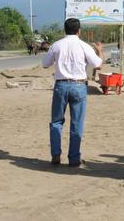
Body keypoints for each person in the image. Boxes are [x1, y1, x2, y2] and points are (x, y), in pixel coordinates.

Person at [42, 18, 102, 167]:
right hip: (79, 85)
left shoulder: (57, 45)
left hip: (61, 85)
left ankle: (56, 154)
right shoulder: (84, 46)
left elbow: (45, 64)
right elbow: (98, 65)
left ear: (65, 30)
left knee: (56, 121)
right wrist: (100, 51)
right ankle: (74, 158)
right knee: (77, 123)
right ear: (79, 31)